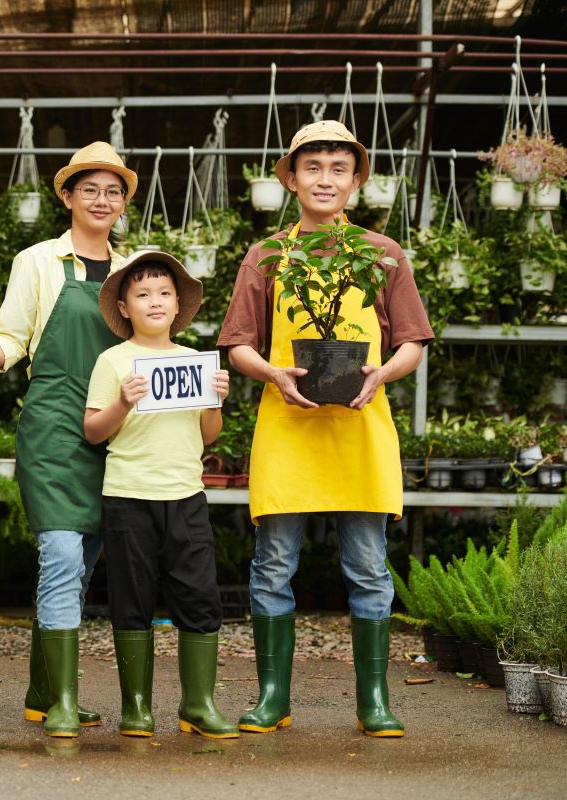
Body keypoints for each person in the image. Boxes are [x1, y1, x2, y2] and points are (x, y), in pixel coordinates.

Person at [217, 120, 434, 738]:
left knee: (367, 566)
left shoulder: (382, 253)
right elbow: (238, 345)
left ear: (357, 181)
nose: (325, 180)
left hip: (361, 425)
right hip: (287, 424)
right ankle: (271, 697)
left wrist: (381, 373)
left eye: (339, 169)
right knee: (273, 564)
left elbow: (413, 341)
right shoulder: (268, 255)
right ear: (290, 179)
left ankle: (373, 699)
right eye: (312, 168)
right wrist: (275, 375)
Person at [0, 142, 137, 738]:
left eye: (114, 191)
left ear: (124, 203)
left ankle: (41, 691)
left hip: (120, 426)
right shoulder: (38, 261)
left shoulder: (138, 268)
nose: (102, 200)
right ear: (68, 196)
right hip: (54, 426)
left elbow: (158, 344)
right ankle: (64, 704)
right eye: (90, 189)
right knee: (61, 558)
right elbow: (10, 342)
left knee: (82, 568)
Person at [84, 250, 238, 740]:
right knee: (131, 599)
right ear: (125, 307)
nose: (155, 301)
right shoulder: (113, 361)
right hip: (128, 495)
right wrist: (124, 402)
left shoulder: (194, 362)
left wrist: (217, 399)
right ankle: (136, 708)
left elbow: (209, 435)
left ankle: (198, 704)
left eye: (165, 293)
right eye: (143, 293)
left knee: (199, 595)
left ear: (178, 306)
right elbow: (93, 432)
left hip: (185, 495)